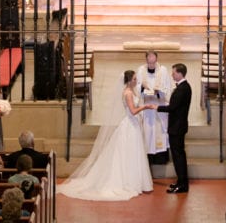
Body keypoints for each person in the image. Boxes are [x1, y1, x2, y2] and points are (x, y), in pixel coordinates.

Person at [59, 68, 157, 200]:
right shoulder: (127, 93)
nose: (136, 80)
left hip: (133, 125)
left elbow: (138, 94)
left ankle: (135, 181)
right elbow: (133, 111)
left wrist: (144, 88)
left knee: (133, 154)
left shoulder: (132, 90)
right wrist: (145, 107)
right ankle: (127, 182)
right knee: (128, 154)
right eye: (134, 79)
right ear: (128, 81)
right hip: (129, 125)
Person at [157, 61, 192, 194]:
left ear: (179, 73)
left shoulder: (183, 88)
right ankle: (180, 181)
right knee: (178, 156)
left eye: (173, 72)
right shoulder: (183, 87)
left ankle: (183, 184)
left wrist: (158, 107)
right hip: (178, 126)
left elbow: (172, 108)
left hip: (177, 127)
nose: (172, 75)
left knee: (178, 157)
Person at [136, 50, 172, 161]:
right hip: (146, 106)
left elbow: (168, 87)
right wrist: (142, 88)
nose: (151, 62)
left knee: (159, 130)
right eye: (149, 59)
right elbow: (136, 86)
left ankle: (161, 157)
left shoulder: (163, 70)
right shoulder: (141, 70)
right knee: (148, 130)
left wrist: (159, 91)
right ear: (146, 59)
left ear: (156, 59)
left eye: (153, 59)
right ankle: (149, 157)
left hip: (159, 105)